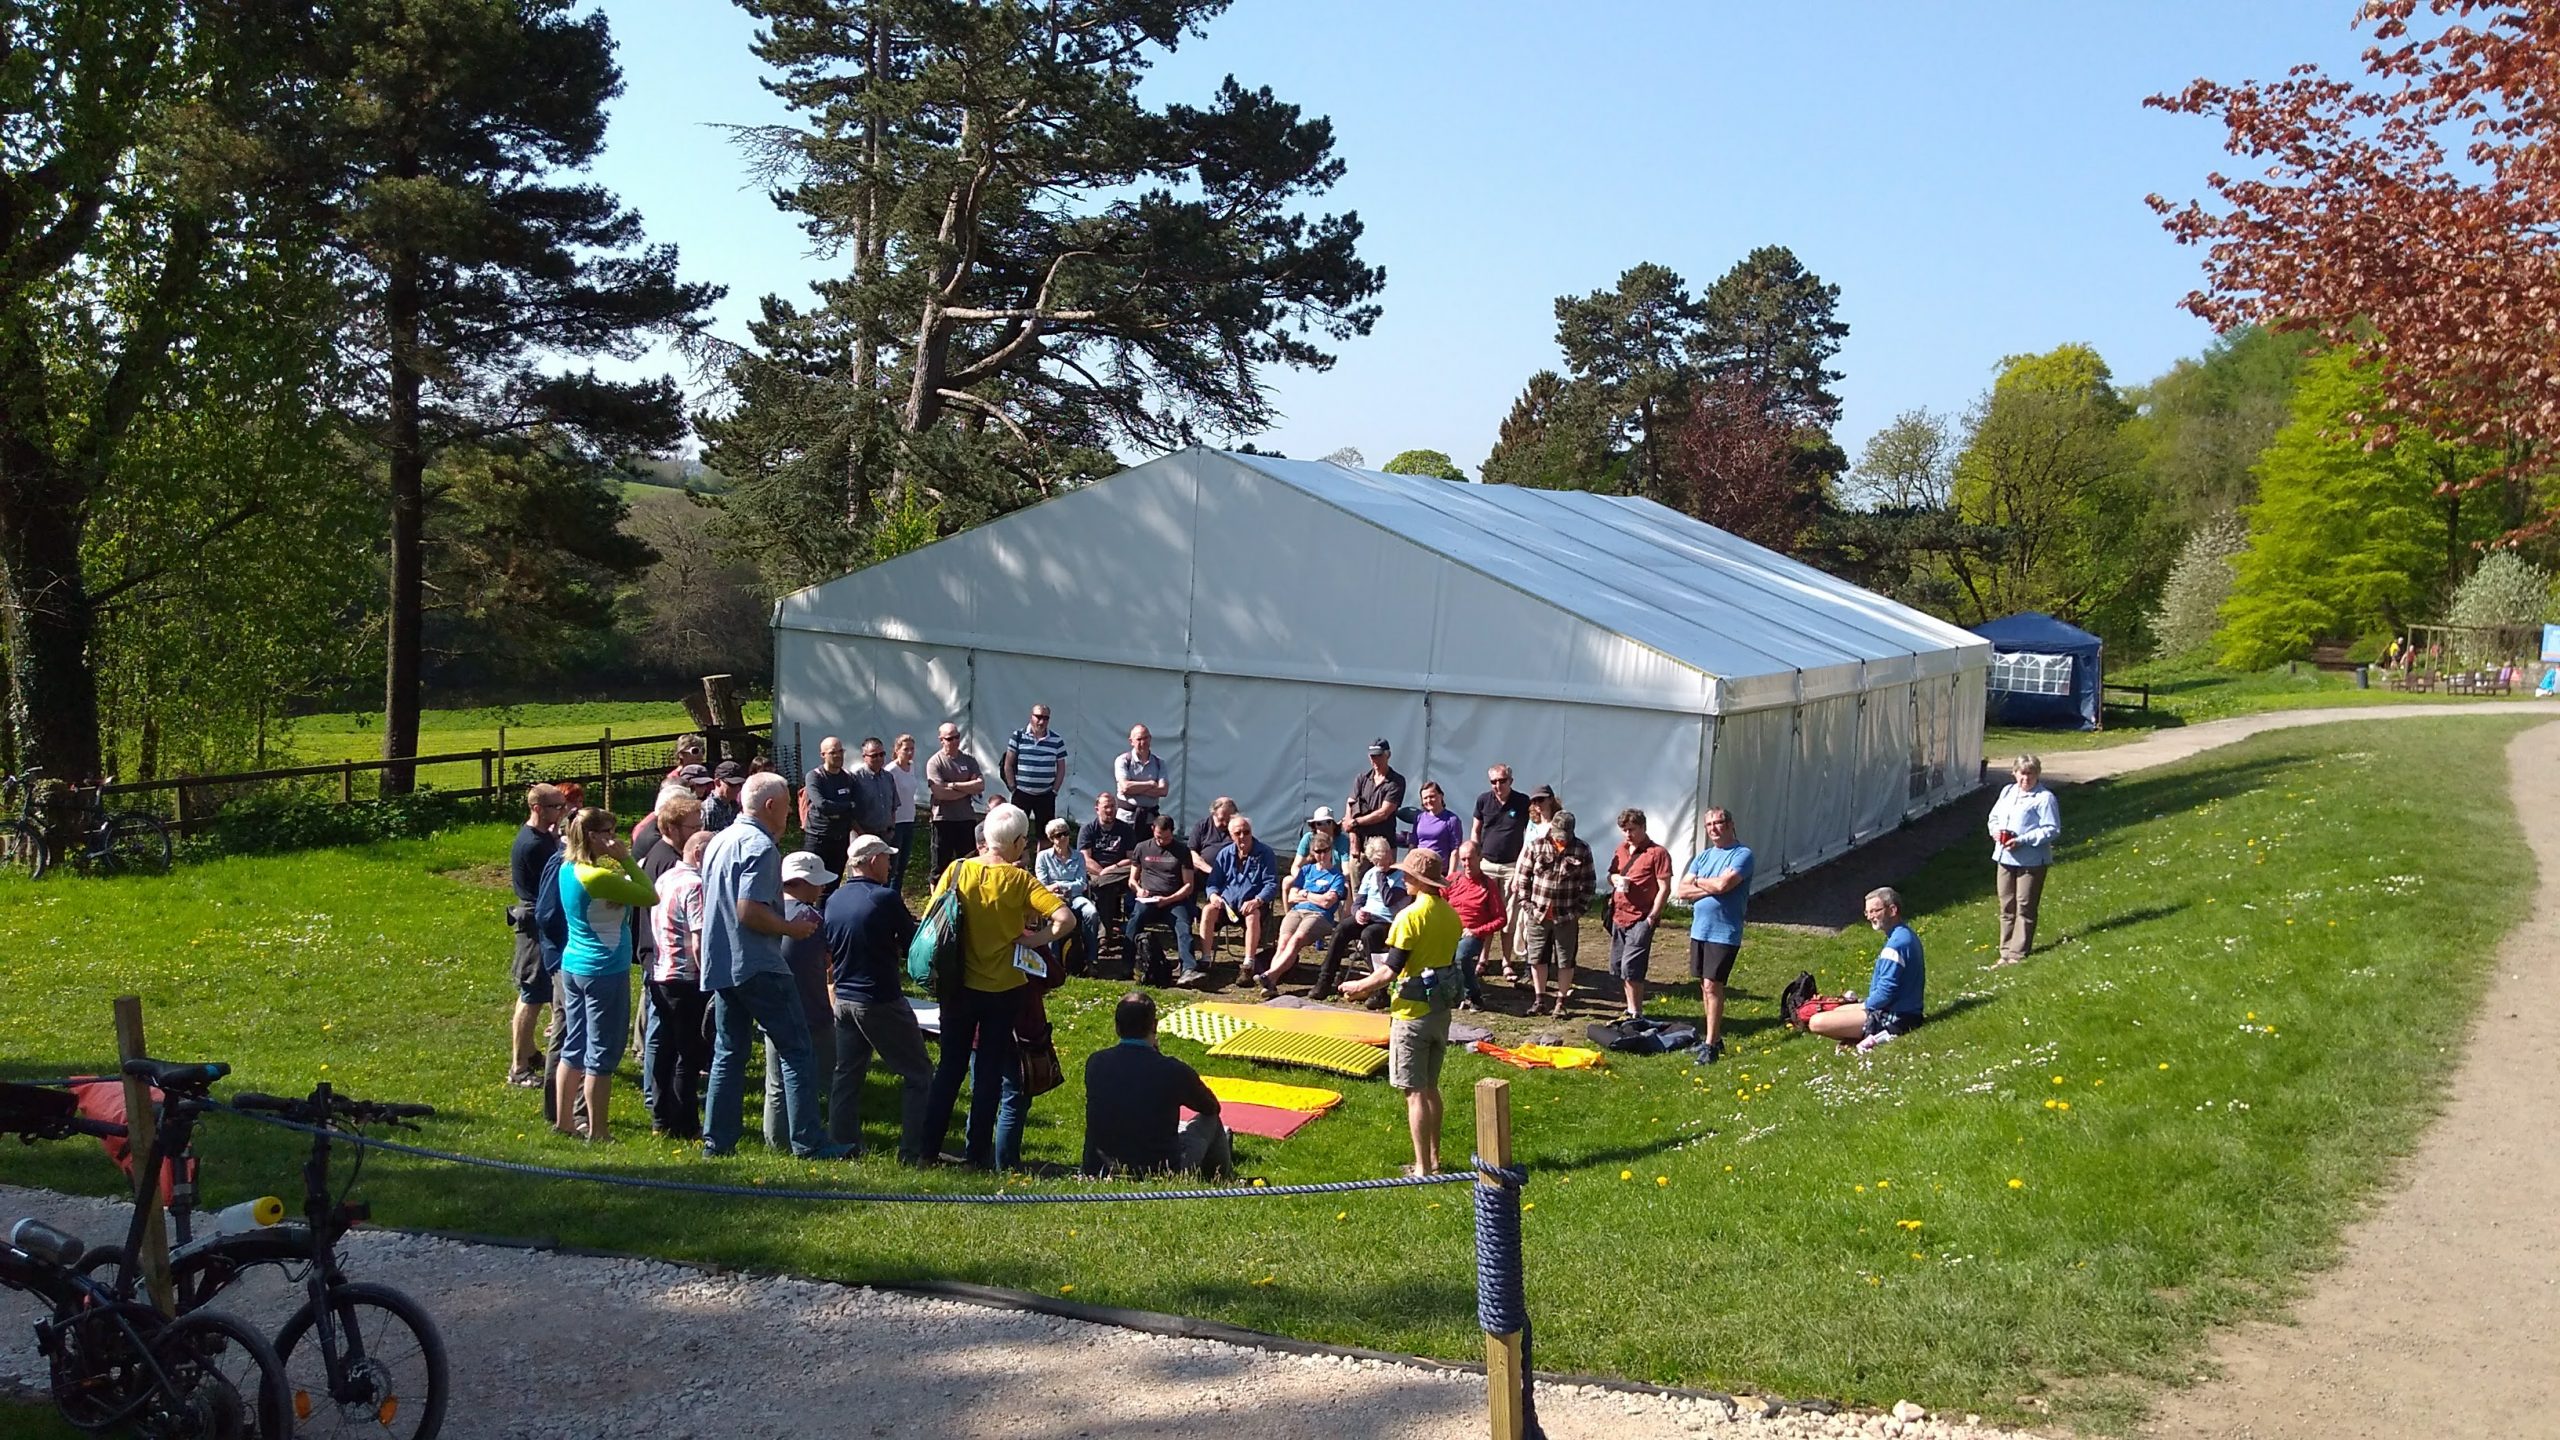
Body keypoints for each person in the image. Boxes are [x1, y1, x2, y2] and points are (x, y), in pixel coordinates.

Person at [698, 773, 848, 1159]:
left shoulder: (718, 841)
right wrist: (791, 928)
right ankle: (808, 1142)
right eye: (787, 804)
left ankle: (717, 1142)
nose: (793, 813)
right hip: (758, 963)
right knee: (797, 1052)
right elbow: (749, 911)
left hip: (721, 962)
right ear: (770, 806)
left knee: (729, 1053)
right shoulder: (761, 846)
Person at [923, 804, 1074, 1169]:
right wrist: (1033, 939)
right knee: (989, 1073)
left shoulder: (957, 869)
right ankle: (976, 1154)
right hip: (1003, 990)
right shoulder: (1020, 881)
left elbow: (932, 914)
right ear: (1020, 842)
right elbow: (1065, 919)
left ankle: (925, 1149)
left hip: (958, 985)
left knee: (949, 1069)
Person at [1338, 849, 1461, 1175]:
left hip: (1411, 1014)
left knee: (1414, 1093)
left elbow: (1390, 970)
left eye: (1408, 875)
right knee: (1431, 1087)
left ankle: (1421, 1168)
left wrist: (1359, 986)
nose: (1403, 878)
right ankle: (1434, 1160)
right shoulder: (1451, 915)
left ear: (1420, 881)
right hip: (1440, 1012)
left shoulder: (1410, 916)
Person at [553, 807, 658, 1142]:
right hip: (604, 970)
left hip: (574, 965)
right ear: (594, 836)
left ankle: (564, 1121)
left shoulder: (568, 868)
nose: (615, 839)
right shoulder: (598, 878)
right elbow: (649, 894)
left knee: (574, 1045)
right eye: (610, 832)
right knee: (601, 1052)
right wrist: (626, 860)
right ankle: (598, 1131)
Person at [824, 834, 932, 1160]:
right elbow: (915, 940)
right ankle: (914, 1151)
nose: (891, 864)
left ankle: (843, 1144)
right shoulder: (884, 898)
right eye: (887, 858)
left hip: (843, 998)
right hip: (879, 998)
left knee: (847, 1074)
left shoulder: (834, 899)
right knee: (919, 1073)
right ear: (872, 861)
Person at [1080, 991, 1232, 1179]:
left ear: (1117, 1027)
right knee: (1210, 1120)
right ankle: (1221, 1178)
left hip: (1100, 1169)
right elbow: (1210, 1106)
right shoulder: (1173, 1070)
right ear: (1155, 1025)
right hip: (1160, 1171)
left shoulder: (1096, 1063)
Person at [765, 852, 842, 1151]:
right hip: (811, 1011)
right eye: (817, 883)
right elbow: (828, 963)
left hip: (772, 1006)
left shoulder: (768, 914)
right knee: (821, 1078)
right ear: (804, 881)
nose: (821, 889)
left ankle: (776, 1142)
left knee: (776, 1084)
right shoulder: (811, 919)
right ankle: (815, 1135)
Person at [1673, 807, 1754, 1066]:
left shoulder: (1742, 855)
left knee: (1712, 985)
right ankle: (1713, 1037)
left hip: (1724, 931)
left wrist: (1703, 884)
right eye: (1709, 825)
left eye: (1718, 823)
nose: (1714, 829)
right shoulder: (1704, 857)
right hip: (1700, 929)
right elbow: (1681, 891)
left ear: (1730, 824)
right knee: (1704, 985)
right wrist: (1710, 886)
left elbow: (1724, 885)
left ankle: (1710, 1044)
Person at [646, 829, 713, 1139]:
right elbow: (699, 939)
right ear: (698, 854)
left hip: (661, 972)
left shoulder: (666, 878)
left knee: (665, 1050)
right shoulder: (696, 885)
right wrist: (707, 977)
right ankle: (685, 1124)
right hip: (687, 976)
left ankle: (661, 1117)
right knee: (689, 1054)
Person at [1809, 888, 1927, 1053]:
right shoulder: (1905, 935)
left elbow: (1886, 992)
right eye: (1867, 912)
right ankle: (1855, 1034)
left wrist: (1865, 1005)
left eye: (1875, 911)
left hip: (1897, 1016)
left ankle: (1867, 1035)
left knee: (1817, 1022)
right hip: (1905, 1011)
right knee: (1836, 1010)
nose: (1870, 916)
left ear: (1892, 910)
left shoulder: (1896, 945)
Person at [506, 784, 567, 1087]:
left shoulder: (544, 838)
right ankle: (519, 1068)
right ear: (537, 809)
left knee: (539, 992)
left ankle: (530, 1053)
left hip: (540, 920)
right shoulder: (533, 844)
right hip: (534, 924)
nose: (563, 811)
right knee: (531, 994)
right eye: (557, 807)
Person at [1515, 808, 1595, 1018]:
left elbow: (1589, 883)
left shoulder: (1582, 849)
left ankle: (1561, 1002)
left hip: (1566, 916)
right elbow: (1523, 876)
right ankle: (1540, 999)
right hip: (1538, 913)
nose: (1562, 839)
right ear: (1552, 828)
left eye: (1565, 836)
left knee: (1565, 960)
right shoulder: (1536, 845)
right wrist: (1526, 904)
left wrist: (1578, 911)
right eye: (1559, 834)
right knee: (1537, 958)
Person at [1986, 754, 2061, 965]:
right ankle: (2005, 951)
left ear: (2037, 775)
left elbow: (2052, 829)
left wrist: (2023, 840)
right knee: (2006, 905)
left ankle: (2018, 953)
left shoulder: (2044, 798)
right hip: (2004, 856)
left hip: (2031, 860)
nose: (2025, 779)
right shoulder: (2008, 792)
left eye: (2030, 774)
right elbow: (1994, 818)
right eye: (2022, 773)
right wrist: (1995, 832)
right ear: (2014, 773)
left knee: (2025, 905)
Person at [1314, 835, 1406, 1000]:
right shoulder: (1370, 874)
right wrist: (1357, 912)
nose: (1387, 862)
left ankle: (1380, 989)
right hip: (1368, 917)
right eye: (1380, 861)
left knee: (1369, 935)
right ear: (1373, 861)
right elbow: (1359, 901)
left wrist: (1381, 876)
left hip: (1387, 921)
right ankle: (1325, 980)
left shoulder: (1401, 875)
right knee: (1342, 928)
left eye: (1388, 857)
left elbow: (1389, 899)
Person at [1604, 808, 1672, 1024]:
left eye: (1631, 829)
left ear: (1643, 827)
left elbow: (1665, 887)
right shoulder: (1621, 850)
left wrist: (1653, 917)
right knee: (1618, 965)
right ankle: (1630, 1007)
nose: (1627, 834)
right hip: (1618, 915)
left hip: (1641, 917)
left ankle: (1636, 1012)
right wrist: (1614, 879)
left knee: (1631, 966)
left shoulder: (1657, 853)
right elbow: (1610, 875)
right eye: (1624, 830)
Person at [1200, 813, 1280, 982]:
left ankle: (1248, 965)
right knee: (1207, 910)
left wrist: (1257, 900)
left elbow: (1271, 884)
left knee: (1253, 916)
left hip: (1253, 905)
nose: (1243, 836)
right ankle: (1205, 960)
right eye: (1238, 833)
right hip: (1227, 906)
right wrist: (1213, 895)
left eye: (1246, 832)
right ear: (1231, 835)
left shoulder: (1265, 853)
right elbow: (1213, 881)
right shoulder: (1224, 854)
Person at [1262, 837, 1346, 995]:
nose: (1322, 855)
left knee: (1296, 940)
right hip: (1298, 911)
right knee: (1283, 942)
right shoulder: (1306, 871)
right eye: (1318, 851)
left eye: (1326, 850)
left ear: (1331, 850)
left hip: (1319, 915)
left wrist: (1305, 893)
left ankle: (1270, 975)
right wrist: (1316, 896)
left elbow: (1328, 903)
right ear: (1313, 853)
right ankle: (1270, 984)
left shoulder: (1337, 876)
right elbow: (1291, 896)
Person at [1124, 814, 1201, 983]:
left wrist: (1169, 899)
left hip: (1173, 900)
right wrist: (1138, 890)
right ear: (1153, 830)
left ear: (1172, 833)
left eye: (1166, 838)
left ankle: (1188, 968)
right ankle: (1127, 964)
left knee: (1183, 925)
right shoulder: (1142, 847)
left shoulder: (1182, 851)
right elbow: (1132, 879)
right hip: (1148, 898)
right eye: (1158, 837)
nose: (1161, 841)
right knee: (1135, 920)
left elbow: (1189, 885)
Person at [1471, 766, 1531, 974]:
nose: (1498, 785)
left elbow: (1529, 833)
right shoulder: (1483, 800)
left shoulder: (1523, 802)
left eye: (1502, 780)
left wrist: (1523, 865)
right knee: (1486, 913)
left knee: (1509, 915)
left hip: (1511, 866)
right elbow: (1476, 831)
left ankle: (1507, 961)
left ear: (1511, 780)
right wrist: (1474, 857)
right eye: (1494, 782)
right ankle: (1483, 958)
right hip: (1487, 863)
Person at [1078, 790, 1140, 966]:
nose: (1110, 810)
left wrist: (1112, 869)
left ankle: (1103, 939)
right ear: (1097, 808)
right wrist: (1101, 871)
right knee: (1104, 888)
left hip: (1119, 871)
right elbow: (1085, 858)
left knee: (1127, 873)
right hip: (1095, 873)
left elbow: (1131, 858)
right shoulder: (1088, 829)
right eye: (1106, 807)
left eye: (1113, 807)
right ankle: (1104, 937)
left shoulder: (1125, 830)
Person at [1444, 839, 1506, 1011]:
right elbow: (1436, 899)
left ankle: (1474, 995)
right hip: (1448, 930)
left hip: (1472, 933)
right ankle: (1449, 993)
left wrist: (1477, 931)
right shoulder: (1453, 879)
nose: (1466, 864)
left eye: (1470, 859)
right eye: (1463, 860)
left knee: (1461, 956)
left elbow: (1501, 918)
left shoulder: (1488, 885)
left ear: (1479, 857)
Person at [925, 723, 987, 882]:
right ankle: (937, 901)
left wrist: (952, 785)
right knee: (940, 866)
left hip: (966, 818)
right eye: (949, 738)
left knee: (968, 862)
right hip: (943, 819)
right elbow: (939, 793)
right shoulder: (935, 762)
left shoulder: (969, 760)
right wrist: (968, 788)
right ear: (941, 740)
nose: (954, 741)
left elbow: (980, 785)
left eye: (957, 737)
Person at [1036, 817, 1099, 969]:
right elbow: (1043, 886)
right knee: (1054, 917)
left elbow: (1082, 884)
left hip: (1076, 897)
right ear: (1052, 838)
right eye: (1058, 835)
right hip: (1052, 898)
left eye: (1065, 833)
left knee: (1092, 913)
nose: (1063, 838)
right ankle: (1054, 962)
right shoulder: (1043, 857)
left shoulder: (1079, 856)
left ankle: (1092, 959)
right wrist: (1058, 889)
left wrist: (1058, 885)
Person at [798, 737, 859, 888]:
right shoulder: (815, 776)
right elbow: (822, 805)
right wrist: (846, 805)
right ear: (823, 755)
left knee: (833, 883)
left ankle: (827, 911)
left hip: (840, 839)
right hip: (819, 839)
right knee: (812, 884)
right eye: (833, 752)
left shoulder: (847, 778)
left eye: (840, 751)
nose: (838, 755)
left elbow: (855, 805)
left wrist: (840, 808)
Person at [1344, 739, 1406, 881]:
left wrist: (1355, 822)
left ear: (1388, 755)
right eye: (1372, 756)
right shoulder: (1362, 779)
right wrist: (1353, 840)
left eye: (1378, 756)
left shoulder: (1396, 781)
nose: (1375, 760)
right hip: (1361, 845)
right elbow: (1350, 805)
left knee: (1383, 885)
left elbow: (1384, 813)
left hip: (1384, 845)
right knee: (1358, 889)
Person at [1002, 704, 1069, 831]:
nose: (1041, 721)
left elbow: (1061, 768)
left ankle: (1042, 852)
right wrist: (1012, 788)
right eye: (1038, 717)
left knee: (1046, 834)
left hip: (1046, 795)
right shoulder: (1018, 736)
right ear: (1031, 716)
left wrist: (1054, 791)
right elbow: (1008, 764)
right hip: (1021, 793)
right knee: (1016, 832)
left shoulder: (1057, 740)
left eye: (1046, 718)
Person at [1113, 724, 1169, 832]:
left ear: (1150, 738)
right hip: (1126, 819)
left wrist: (1134, 788)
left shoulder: (1159, 763)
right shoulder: (1123, 760)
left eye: (1145, 738)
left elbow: (1163, 791)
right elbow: (1125, 788)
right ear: (1131, 741)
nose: (1143, 743)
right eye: (1139, 739)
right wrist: (1150, 784)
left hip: (1150, 820)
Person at [847, 736, 898, 844]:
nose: (879, 758)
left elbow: (893, 807)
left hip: (885, 836)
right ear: (864, 757)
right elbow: (849, 811)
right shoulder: (855, 778)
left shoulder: (888, 777)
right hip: (862, 837)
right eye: (874, 756)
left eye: (881, 754)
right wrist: (861, 834)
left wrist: (892, 828)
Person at [889, 733, 923, 891]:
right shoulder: (891, 770)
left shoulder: (912, 766)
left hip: (909, 818)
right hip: (896, 821)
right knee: (893, 865)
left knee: (902, 864)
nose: (909, 752)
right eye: (905, 749)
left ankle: (896, 897)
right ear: (897, 750)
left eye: (912, 749)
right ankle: (888, 895)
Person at [1411, 782, 1462, 864]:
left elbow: (1455, 850)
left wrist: (1451, 875)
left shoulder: (1452, 820)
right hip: (1418, 867)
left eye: (1432, 796)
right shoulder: (1419, 818)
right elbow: (1413, 843)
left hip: (1439, 871)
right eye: (1425, 798)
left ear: (1441, 796)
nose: (1428, 800)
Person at [1295, 805, 1351, 876]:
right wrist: (1303, 880)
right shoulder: (1308, 838)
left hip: (1334, 878)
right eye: (1319, 823)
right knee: (1287, 881)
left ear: (1334, 825)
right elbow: (1296, 867)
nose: (1324, 826)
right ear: (1314, 826)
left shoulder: (1343, 840)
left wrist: (1335, 881)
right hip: (1310, 879)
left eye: (1328, 822)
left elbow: (1346, 871)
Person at [704, 760, 747, 832]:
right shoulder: (709, 809)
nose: (738, 788)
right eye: (732, 784)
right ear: (717, 782)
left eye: (740, 784)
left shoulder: (734, 806)